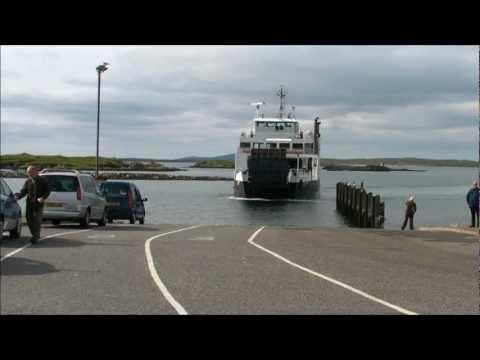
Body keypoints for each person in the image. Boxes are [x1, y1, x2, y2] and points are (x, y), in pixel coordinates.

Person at [15, 165, 50, 243]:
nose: (28, 174)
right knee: (29, 219)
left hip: (39, 204)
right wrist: (18, 197)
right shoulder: (28, 181)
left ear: (35, 172)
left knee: (37, 220)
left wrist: (43, 198)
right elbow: (24, 191)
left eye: (30, 172)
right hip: (30, 203)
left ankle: (35, 237)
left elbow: (47, 191)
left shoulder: (42, 180)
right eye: (27, 172)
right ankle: (35, 234)